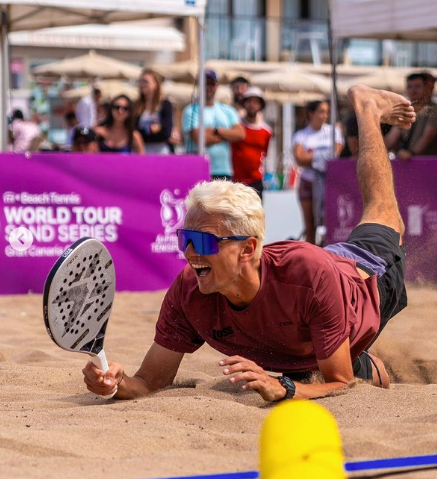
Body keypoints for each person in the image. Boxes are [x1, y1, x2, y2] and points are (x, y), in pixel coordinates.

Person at [83, 85, 416, 402]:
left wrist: (280, 387)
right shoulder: (189, 292)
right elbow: (148, 383)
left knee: (381, 206)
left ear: (246, 249)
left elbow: (340, 385)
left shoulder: (308, 277)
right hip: (304, 328)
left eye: (202, 241)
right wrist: (114, 384)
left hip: (365, 272)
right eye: (185, 239)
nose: (189, 253)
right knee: (340, 367)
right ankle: (359, 361)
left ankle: (368, 109)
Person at [292, 101, 344, 244]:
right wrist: (323, 155)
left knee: (331, 223)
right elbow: (300, 158)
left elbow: (336, 155)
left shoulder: (334, 132)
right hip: (308, 181)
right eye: (321, 111)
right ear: (311, 114)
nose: (325, 115)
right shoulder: (301, 135)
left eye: (327, 112)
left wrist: (312, 155)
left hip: (329, 182)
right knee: (310, 225)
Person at [182, 69, 245, 180]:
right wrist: (226, 135)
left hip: (223, 169)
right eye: (205, 83)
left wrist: (216, 131)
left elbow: (240, 134)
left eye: (212, 84)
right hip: (198, 168)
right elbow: (199, 138)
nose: (208, 87)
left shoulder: (227, 110)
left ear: (217, 86)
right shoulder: (191, 110)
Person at [385, 72, 437, 159]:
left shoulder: (435, 109)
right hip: (408, 160)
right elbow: (392, 137)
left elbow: (428, 136)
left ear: (426, 88)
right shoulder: (405, 109)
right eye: (409, 86)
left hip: (428, 162)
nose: (413, 90)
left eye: (417, 86)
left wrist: (411, 153)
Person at [231, 87, 272, 200]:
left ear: (260, 105)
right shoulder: (237, 127)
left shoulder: (266, 131)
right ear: (244, 103)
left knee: (255, 216)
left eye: (255, 102)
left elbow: (265, 153)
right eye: (249, 101)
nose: (252, 105)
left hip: (256, 181)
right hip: (236, 181)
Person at [134, 69, 173, 154]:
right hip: (140, 151)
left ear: (156, 84)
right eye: (141, 81)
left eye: (145, 81)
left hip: (160, 152)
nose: (142, 84)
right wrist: (149, 129)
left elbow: (166, 133)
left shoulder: (165, 105)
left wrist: (143, 134)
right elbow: (134, 131)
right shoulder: (136, 105)